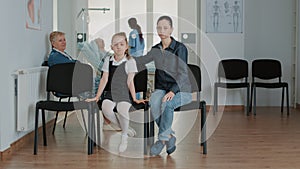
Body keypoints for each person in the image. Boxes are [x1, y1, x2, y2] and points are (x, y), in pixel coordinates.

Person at [135, 16, 192, 156]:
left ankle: (161, 140)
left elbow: (183, 74)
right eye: (159, 27)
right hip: (161, 89)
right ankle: (169, 137)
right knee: (154, 102)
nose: (162, 30)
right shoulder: (155, 49)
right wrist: (126, 58)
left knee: (167, 103)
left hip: (181, 90)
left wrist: (173, 91)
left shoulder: (180, 48)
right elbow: (143, 60)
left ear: (172, 29)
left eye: (165, 27)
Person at [85, 32, 146, 153]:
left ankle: (124, 137)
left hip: (124, 93)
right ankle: (125, 128)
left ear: (126, 46)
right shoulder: (108, 60)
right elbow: (104, 79)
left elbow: (130, 82)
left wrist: (134, 98)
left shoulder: (130, 61)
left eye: (121, 44)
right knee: (106, 109)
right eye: (115, 44)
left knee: (123, 110)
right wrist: (97, 96)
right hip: (110, 93)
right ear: (111, 47)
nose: (118, 47)